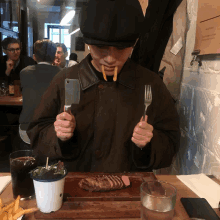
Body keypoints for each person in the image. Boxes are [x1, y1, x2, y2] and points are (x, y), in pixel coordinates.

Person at [27, 0, 180, 172]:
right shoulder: (64, 80)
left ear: (133, 45)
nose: (110, 59)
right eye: (101, 48)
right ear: (88, 43)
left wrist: (148, 144)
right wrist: (59, 136)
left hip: (130, 189)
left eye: (121, 49)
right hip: (75, 187)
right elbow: (36, 134)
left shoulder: (151, 84)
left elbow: (171, 141)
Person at [17, 39, 60, 150]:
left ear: (34, 56)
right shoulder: (62, 73)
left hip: (26, 128)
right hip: (52, 128)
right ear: (55, 57)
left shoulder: (24, 72)